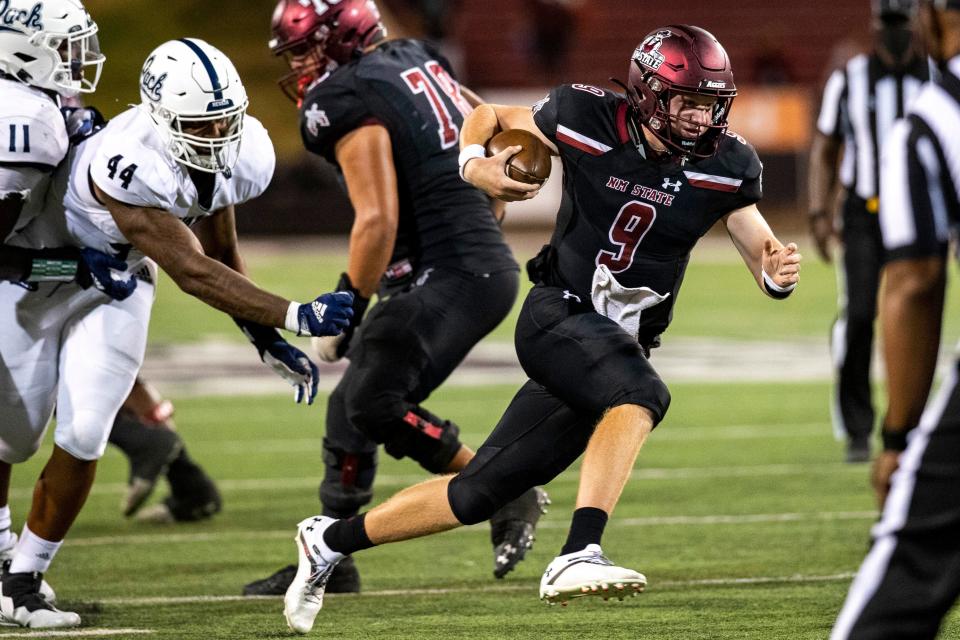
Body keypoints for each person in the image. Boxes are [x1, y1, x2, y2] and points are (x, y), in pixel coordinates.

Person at [279, 24, 802, 634]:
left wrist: (775, 271)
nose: (699, 117)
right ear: (649, 93)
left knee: (477, 494)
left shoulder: (729, 163)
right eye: (687, 101)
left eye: (711, 104)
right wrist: (474, 166)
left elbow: (755, 240)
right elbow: (488, 116)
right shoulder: (585, 115)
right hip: (559, 314)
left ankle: (329, 541)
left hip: (613, 347)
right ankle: (580, 550)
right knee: (643, 394)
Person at [0, 36, 354, 628]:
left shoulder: (245, 151)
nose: (217, 139)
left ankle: (23, 581)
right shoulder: (126, 158)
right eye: (200, 126)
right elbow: (190, 269)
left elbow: (219, 248)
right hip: (34, 277)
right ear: (159, 115)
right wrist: (297, 314)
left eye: (224, 123)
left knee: (86, 430)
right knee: (12, 437)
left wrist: (263, 338)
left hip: (117, 284)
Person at [243, 0, 546, 598]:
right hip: (465, 266)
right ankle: (334, 561)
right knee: (351, 408)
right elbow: (488, 131)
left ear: (338, 40)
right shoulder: (413, 57)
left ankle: (503, 485)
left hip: (450, 270)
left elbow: (376, 219)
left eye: (305, 49)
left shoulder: (340, 99)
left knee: (374, 402)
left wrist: (347, 304)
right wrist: (481, 222)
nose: (300, 65)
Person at [831, 1, 960, 637]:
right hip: (861, 208)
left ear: (934, 18)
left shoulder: (937, 116)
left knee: (904, 577)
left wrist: (899, 437)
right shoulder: (854, 80)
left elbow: (915, 282)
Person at [808, 0, 928, 462]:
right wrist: (819, 213)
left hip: (918, 210)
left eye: (902, 20)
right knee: (860, 314)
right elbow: (825, 147)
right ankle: (858, 425)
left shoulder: (934, 79)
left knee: (919, 316)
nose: (896, 30)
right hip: (865, 211)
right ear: (876, 24)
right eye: (889, 21)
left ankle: (908, 422)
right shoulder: (850, 78)